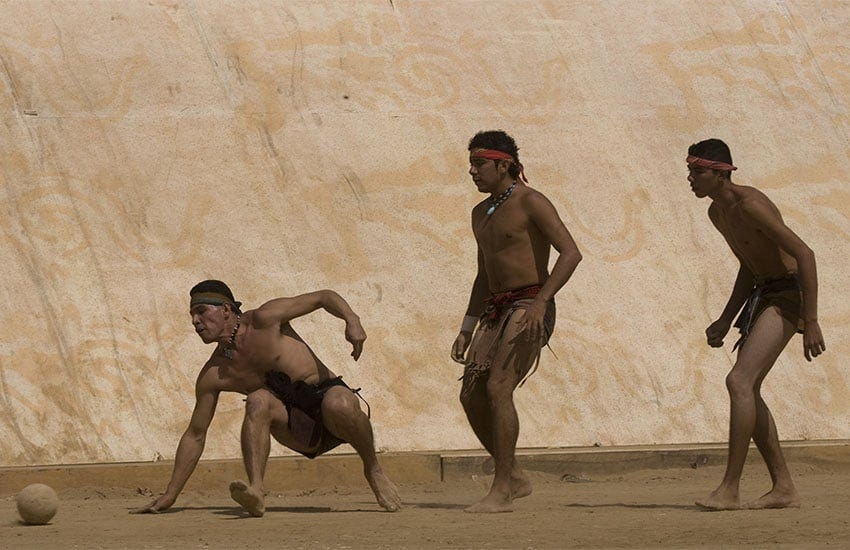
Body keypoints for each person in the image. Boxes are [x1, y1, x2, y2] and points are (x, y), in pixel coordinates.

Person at [132, 280, 401, 517]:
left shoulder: (265, 319)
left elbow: (324, 296)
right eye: (191, 314)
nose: (194, 321)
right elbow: (195, 434)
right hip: (298, 431)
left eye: (201, 311)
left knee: (338, 403)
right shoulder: (215, 373)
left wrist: (351, 320)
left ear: (226, 310)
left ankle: (374, 470)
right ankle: (256, 490)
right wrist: (171, 494)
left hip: (331, 405)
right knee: (258, 399)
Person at [687, 139, 826, 511]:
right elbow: (749, 265)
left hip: (788, 294)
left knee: (739, 381)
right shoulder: (717, 214)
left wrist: (811, 320)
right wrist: (725, 318)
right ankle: (783, 487)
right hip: (764, 294)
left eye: (697, 172)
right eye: (690, 171)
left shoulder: (751, 205)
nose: (690, 179)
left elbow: (804, 253)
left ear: (720, 174)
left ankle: (730, 489)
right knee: (749, 387)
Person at [451, 130, 582, 513]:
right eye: (471, 164)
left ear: (503, 164)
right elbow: (482, 275)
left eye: (479, 164)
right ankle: (514, 475)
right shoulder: (481, 213)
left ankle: (502, 487)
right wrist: (466, 326)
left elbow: (571, 253)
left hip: (529, 303)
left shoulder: (531, 202)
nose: (472, 171)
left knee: (498, 386)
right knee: (470, 394)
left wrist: (542, 301)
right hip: (495, 307)